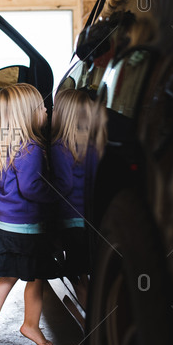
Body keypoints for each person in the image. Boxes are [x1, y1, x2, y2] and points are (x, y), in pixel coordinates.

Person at [0, 83, 57, 345]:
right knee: (36, 278)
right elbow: (31, 188)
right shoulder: (30, 149)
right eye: (42, 106)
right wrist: (57, 195)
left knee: (7, 276)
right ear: (27, 114)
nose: (47, 110)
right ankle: (30, 325)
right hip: (28, 228)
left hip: (5, 225)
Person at [50, 89, 107, 298]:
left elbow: (63, 185)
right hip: (92, 221)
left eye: (55, 108)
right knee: (90, 272)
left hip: (70, 221)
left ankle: (88, 324)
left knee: (76, 275)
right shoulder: (94, 146)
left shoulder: (60, 146)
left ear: (64, 115)